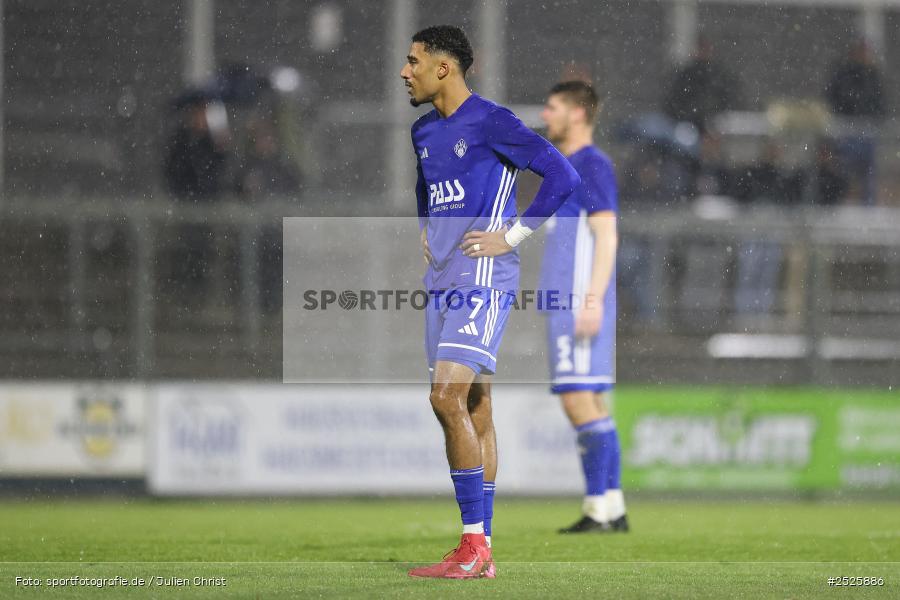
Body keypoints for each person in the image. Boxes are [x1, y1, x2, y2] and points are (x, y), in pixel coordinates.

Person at [401, 25, 579, 579]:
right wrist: (427, 227)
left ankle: (473, 543)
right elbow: (425, 187)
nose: (405, 72)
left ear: (443, 68)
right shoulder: (425, 131)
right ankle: (483, 549)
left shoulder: (493, 121)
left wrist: (514, 235)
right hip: (443, 278)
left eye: (413, 61)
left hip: (483, 275)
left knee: (444, 396)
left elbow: (562, 175)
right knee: (474, 407)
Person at [539, 81, 628, 534]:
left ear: (576, 113)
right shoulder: (569, 166)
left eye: (552, 107)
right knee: (591, 398)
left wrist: (591, 299)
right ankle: (612, 506)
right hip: (569, 300)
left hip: (577, 303)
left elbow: (607, 234)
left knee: (577, 399)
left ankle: (598, 510)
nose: (545, 114)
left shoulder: (590, 164)